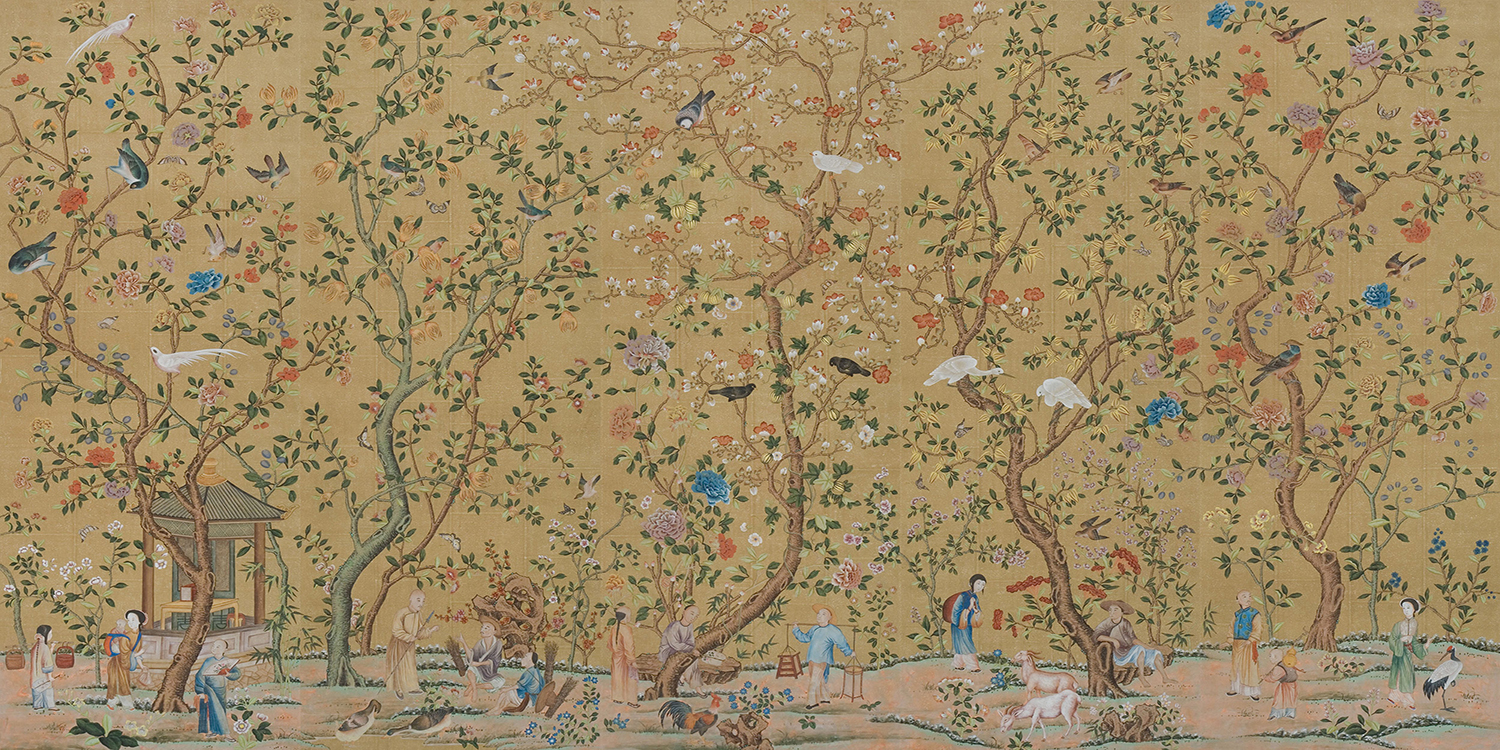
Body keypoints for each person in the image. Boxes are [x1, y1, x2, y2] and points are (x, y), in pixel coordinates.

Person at [1094, 600, 1173, 692]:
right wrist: (1113, 640)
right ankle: (1141, 676)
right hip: (1119, 653)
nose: (1112, 613)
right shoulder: (1106, 623)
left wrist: (1147, 647)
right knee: (1139, 649)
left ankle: (1165, 677)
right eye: (1110, 610)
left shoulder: (1126, 623)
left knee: (1155, 653)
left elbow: (1133, 639)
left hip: (1130, 649)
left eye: (1115, 610)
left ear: (1122, 612)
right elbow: (1096, 636)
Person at [793, 605, 854, 708]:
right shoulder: (814, 628)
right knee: (818, 679)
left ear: (829, 617)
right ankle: (824, 697)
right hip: (812, 658)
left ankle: (812, 702)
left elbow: (841, 642)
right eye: (818, 614)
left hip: (822, 659)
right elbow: (805, 638)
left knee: (814, 680)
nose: (819, 616)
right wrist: (796, 630)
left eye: (823, 614)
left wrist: (849, 652)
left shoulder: (833, 630)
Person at [387, 589, 439, 700]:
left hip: (410, 646)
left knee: (410, 666)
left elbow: (420, 632)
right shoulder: (402, 613)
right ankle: (398, 688)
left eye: (423, 601)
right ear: (411, 600)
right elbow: (396, 630)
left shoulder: (417, 615)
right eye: (418, 600)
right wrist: (409, 637)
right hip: (398, 645)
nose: (421, 603)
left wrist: (431, 630)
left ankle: (411, 687)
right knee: (400, 666)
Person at [1386, 597, 1431, 709]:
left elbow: (1414, 643)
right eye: (1404, 608)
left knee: (1407, 675)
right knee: (1397, 675)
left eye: (1408, 608)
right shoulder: (1398, 625)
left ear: (1414, 609)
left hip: (1407, 655)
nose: (1405, 610)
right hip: (1398, 653)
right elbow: (1391, 640)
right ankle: (1394, 697)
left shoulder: (1415, 624)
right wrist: (1401, 640)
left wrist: (1425, 646)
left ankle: (1407, 700)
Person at [193, 639, 242, 736]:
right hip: (209, 689)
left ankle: (219, 731)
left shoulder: (227, 661)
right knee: (212, 710)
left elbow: (237, 673)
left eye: (218, 646)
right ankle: (218, 732)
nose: (214, 648)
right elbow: (200, 676)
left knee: (221, 710)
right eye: (213, 646)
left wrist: (229, 675)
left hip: (221, 689)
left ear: (225, 649)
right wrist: (200, 691)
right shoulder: (208, 661)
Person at [105, 609, 146, 709]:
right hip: (118, 663)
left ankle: (113, 702)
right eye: (128, 620)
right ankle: (125, 704)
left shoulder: (138, 635)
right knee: (120, 683)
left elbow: (136, 652)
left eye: (133, 619)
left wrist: (142, 666)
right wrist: (138, 654)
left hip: (123, 663)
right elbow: (125, 654)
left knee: (121, 683)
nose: (130, 623)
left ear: (140, 621)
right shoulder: (125, 637)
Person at [1228, 590, 1264, 699]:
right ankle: (1236, 688)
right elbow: (1231, 628)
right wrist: (1229, 640)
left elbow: (1258, 628)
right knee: (1236, 666)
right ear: (1238, 600)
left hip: (1248, 643)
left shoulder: (1255, 614)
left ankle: (1252, 691)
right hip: (1237, 643)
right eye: (1244, 597)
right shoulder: (1236, 614)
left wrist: (1251, 639)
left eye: (1249, 596)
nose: (1248, 599)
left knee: (1249, 666)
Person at [459, 620, 507, 702]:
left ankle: (474, 686)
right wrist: (463, 642)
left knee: (500, 682)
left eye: (487, 628)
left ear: (494, 631)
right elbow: (471, 656)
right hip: (479, 670)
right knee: (470, 670)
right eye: (482, 627)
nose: (482, 630)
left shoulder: (498, 644)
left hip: (490, 673)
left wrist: (479, 663)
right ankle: (475, 690)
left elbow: (494, 660)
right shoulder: (480, 643)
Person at [658, 604, 703, 689]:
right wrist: (689, 649)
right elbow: (674, 644)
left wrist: (691, 648)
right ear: (684, 612)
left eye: (696, 616)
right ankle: (682, 676)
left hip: (682, 649)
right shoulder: (675, 625)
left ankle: (697, 686)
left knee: (694, 659)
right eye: (691, 613)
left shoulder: (690, 626)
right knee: (686, 656)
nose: (693, 617)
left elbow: (691, 641)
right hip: (669, 651)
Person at [605, 606, 640, 706]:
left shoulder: (614, 628)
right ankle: (631, 701)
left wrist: (617, 651)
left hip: (616, 657)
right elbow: (629, 646)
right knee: (630, 679)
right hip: (626, 658)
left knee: (617, 677)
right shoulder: (626, 629)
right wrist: (632, 659)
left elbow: (609, 645)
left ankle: (618, 698)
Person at [950, 574, 985, 672]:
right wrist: (969, 608)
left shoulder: (975, 597)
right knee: (966, 645)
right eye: (978, 583)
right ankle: (973, 666)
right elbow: (955, 611)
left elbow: (977, 610)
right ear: (971, 583)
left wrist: (976, 610)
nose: (980, 586)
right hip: (959, 624)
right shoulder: (963, 596)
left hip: (967, 625)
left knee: (962, 644)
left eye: (983, 585)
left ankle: (958, 664)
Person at [1262, 647, 1304, 719]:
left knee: (1279, 700)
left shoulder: (1279, 668)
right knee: (1291, 700)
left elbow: (1273, 678)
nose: (1270, 658)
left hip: (1284, 686)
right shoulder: (1287, 663)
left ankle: (1276, 714)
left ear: (1276, 657)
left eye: (1270, 656)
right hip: (1293, 686)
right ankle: (1290, 714)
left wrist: (1264, 677)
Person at [30, 624, 58, 712]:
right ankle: (50, 706)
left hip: (35, 675)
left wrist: (52, 647)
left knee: (37, 691)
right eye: (50, 634)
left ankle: (37, 705)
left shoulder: (36, 646)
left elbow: (44, 656)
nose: (51, 636)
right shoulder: (44, 647)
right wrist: (49, 676)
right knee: (47, 691)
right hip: (44, 675)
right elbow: (47, 663)